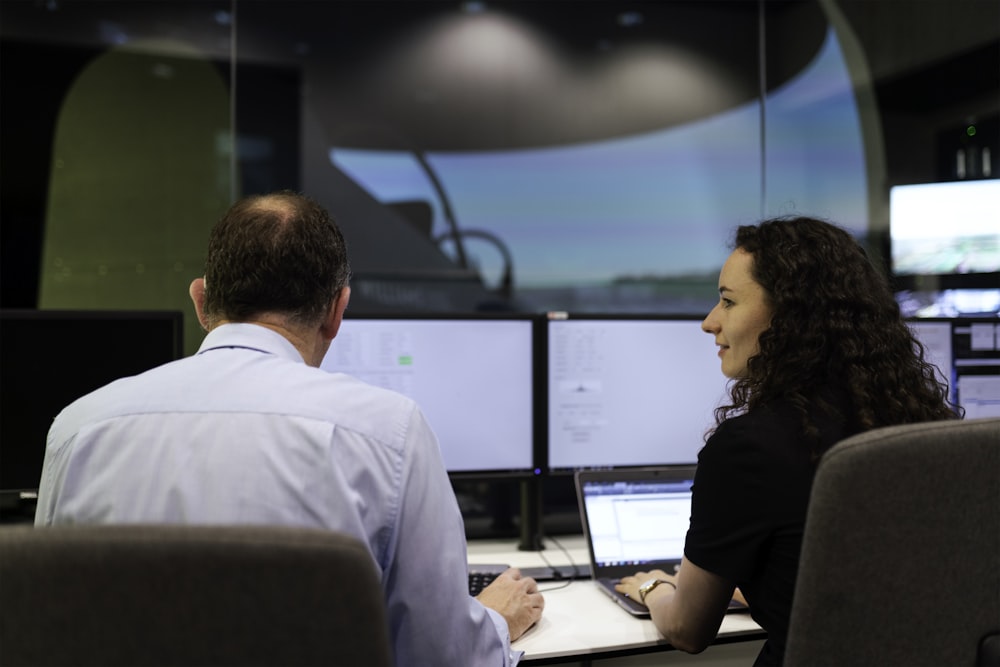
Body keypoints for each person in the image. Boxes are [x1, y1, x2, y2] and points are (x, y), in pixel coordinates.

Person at [34, 190, 544, 666]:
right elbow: (441, 653)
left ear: (200, 300)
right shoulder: (389, 432)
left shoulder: (77, 427)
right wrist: (496, 619)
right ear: (337, 311)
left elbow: (46, 627)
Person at [615, 216, 958, 666]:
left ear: (790, 318)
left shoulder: (748, 448)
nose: (709, 322)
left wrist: (655, 587)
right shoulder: (920, 422)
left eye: (727, 302)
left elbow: (687, 629)